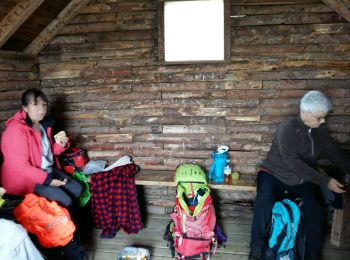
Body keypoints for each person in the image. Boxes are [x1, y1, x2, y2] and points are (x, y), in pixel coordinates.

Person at [249, 90, 350, 260]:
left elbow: (334, 152)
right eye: (319, 117)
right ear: (306, 113)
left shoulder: (320, 130)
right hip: (274, 173)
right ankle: (256, 250)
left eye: (324, 117)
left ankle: (312, 256)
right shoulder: (287, 128)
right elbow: (293, 163)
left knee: (314, 209)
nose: (323, 120)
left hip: (302, 178)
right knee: (264, 201)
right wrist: (326, 181)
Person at [0, 89, 82, 208]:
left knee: (77, 188)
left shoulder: (42, 124)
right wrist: (49, 181)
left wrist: (60, 145)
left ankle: (66, 221)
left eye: (44, 105)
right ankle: (57, 223)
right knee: (65, 200)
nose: (42, 109)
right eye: (36, 105)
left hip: (45, 169)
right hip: (25, 180)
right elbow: (21, 168)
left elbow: (47, 152)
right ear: (25, 108)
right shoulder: (16, 131)